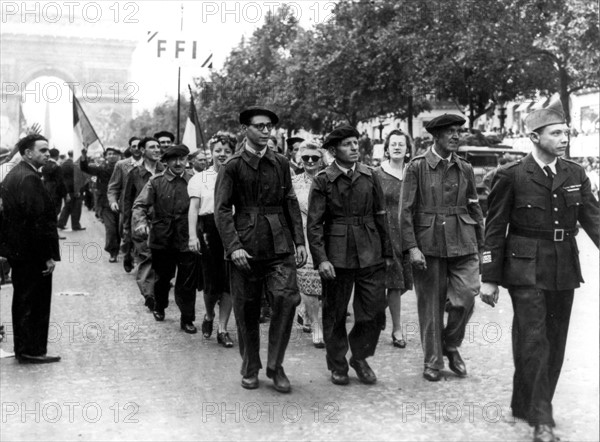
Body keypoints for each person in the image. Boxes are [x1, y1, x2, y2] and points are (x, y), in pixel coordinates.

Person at [480, 105, 599, 442]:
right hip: (525, 268)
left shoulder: (575, 174)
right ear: (534, 136)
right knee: (535, 340)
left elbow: (594, 220)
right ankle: (541, 418)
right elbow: (495, 227)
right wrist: (489, 277)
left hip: (563, 267)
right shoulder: (512, 174)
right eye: (556, 133)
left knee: (556, 342)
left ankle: (524, 402)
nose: (564, 138)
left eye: (566, 132)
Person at [215, 106, 307, 393]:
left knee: (286, 299)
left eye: (269, 126)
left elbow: (290, 201)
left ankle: (276, 365)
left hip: (279, 246)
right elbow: (221, 210)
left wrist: (300, 241)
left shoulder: (280, 163)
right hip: (245, 247)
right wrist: (234, 247)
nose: (266, 131)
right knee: (246, 309)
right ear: (245, 129)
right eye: (259, 126)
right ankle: (250, 367)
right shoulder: (232, 166)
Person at [400, 114, 484, 382]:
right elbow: (405, 212)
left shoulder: (465, 168)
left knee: (467, 294)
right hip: (429, 243)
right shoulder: (417, 167)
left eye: (459, 131)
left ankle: (450, 344)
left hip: (463, 239)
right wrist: (412, 247)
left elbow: (474, 206)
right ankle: (433, 361)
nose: (456, 136)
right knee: (431, 306)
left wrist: (483, 247)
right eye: (450, 132)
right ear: (435, 136)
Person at [307, 125, 392, 386]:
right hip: (337, 256)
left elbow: (380, 214)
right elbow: (314, 224)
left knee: (374, 311)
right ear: (333, 151)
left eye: (356, 143)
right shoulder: (323, 180)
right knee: (334, 313)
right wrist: (321, 259)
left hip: (370, 252)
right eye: (348, 144)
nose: (355, 148)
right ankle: (338, 364)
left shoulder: (370, 175)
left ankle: (360, 357)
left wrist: (387, 253)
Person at [0, 134, 61, 363]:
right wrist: (47, 256)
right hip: (32, 254)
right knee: (34, 302)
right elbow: (36, 221)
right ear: (28, 153)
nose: (47, 154)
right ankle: (30, 351)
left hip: (20, 252)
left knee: (24, 300)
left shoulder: (17, 175)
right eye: (43, 150)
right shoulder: (28, 178)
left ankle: (26, 349)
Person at [132, 145, 197, 333]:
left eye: (182, 159)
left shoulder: (194, 180)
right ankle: (160, 305)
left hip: (188, 238)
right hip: (163, 239)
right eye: (174, 159)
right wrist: (141, 223)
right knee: (163, 278)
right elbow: (139, 205)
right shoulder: (156, 181)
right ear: (166, 162)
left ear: (187, 160)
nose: (178, 163)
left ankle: (187, 319)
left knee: (186, 283)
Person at [188, 133, 235, 348]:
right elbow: (194, 209)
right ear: (211, 153)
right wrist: (192, 236)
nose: (222, 154)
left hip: (233, 231)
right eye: (218, 150)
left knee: (229, 283)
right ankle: (208, 315)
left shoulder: (238, 176)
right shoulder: (200, 178)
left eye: (227, 151)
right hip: (208, 232)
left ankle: (223, 329)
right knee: (211, 284)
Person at [373, 130, 413, 349]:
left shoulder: (413, 173)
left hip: (407, 233)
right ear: (386, 149)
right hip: (384, 233)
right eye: (393, 144)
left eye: (402, 144)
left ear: (408, 149)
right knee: (393, 283)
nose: (397, 147)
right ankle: (397, 329)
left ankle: (379, 310)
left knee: (404, 281)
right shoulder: (377, 174)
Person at [123, 137, 163, 311]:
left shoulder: (165, 170)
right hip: (142, 223)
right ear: (143, 151)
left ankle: (158, 291)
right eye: (152, 147)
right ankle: (149, 295)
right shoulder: (134, 173)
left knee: (162, 260)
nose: (156, 150)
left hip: (163, 223)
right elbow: (128, 201)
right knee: (147, 258)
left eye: (158, 147)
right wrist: (126, 227)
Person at [292, 141, 325, 348]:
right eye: (306, 158)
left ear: (321, 159)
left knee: (326, 282)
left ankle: (305, 311)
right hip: (303, 235)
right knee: (308, 279)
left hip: (327, 234)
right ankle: (316, 325)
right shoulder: (294, 183)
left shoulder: (329, 179)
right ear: (299, 160)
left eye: (314, 157)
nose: (310, 161)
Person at [80, 147, 122, 262]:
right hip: (106, 204)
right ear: (105, 156)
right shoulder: (101, 169)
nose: (112, 156)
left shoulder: (125, 168)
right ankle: (113, 252)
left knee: (120, 229)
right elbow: (85, 168)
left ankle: (122, 250)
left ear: (119, 156)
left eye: (114, 153)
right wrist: (84, 156)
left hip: (123, 204)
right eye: (109, 154)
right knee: (111, 229)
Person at [107, 136, 142, 273]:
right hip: (126, 207)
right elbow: (113, 186)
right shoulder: (121, 165)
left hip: (145, 206)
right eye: (133, 146)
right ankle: (127, 255)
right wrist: (113, 201)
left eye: (139, 146)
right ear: (130, 148)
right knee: (126, 235)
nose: (137, 149)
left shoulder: (150, 164)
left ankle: (141, 260)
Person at [57, 151, 85, 231]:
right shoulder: (74, 165)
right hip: (74, 189)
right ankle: (75, 225)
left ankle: (61, 223)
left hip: (67, 189)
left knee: (67, 207)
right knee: (76, 208)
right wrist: (77, 190)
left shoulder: (64, 164)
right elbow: (75, 178)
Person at [41, 148, 67, 217]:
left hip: (46, 189)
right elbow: (61, 181)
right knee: (56, 210)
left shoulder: (44, 165)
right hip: (56, 191)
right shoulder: (57, 167)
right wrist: (65, 194)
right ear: (57, 156)